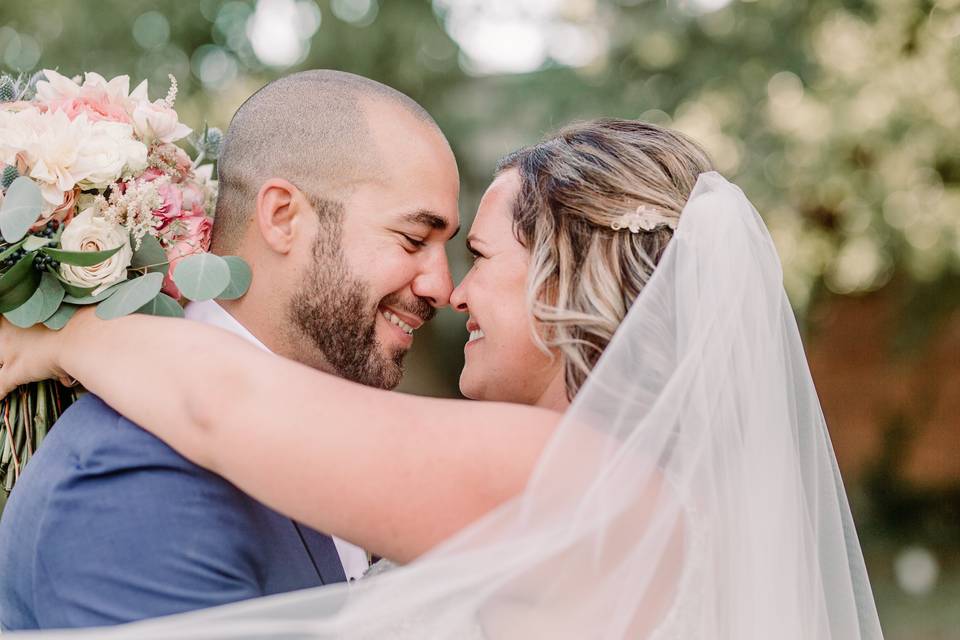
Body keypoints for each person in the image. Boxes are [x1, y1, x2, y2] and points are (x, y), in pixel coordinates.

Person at [0, 120, 884, 639]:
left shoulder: (585, 481)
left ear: (558, 280)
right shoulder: (669, 487)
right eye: (419, 241)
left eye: (479, 254)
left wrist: (69, 331)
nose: (452, 290)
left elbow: (226, 402)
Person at [0, 70, 460, 630]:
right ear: (282, 217)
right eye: (414, 239)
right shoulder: (136, 472)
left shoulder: (328, 436)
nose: (443, 286)